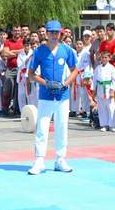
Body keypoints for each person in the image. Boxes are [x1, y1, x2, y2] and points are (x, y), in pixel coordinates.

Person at [26, 20, 79, 175]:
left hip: (63, 96)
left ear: (60, 34)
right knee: (42, 127)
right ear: (47, 34)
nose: (54, 35)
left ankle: (60, 159)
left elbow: (75, 70)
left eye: (57, 32)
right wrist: (46, 83)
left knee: (62, 127)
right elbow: (31, 74)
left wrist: (65, 84)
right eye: (51, 32)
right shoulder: (39, 51)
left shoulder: (67, 50)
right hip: (45, 96)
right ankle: (39, 160)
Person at [93, 49, 115, 133]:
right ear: (100, 58)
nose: (104, 59)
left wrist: (112, 90)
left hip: (108, 89)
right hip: (100, 88)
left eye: (106, 57)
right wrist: (94, 90)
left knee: (111, 107)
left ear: (109, 58)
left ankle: (112, 125)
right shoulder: (98, 68)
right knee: (102, 108)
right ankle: (104, 124)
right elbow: (95, 80)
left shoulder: (111, 67)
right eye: (102, 57)